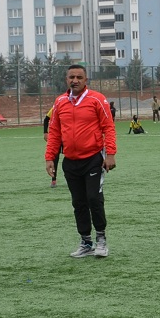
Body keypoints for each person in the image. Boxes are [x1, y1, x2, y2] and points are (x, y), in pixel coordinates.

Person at [45, 63, 117, 258]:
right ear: (66, 80)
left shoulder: (97, 99)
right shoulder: (60, 102)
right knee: (78, 202)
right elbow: (54, 132)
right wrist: (50, 157)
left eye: (79, 77)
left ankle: (101, 239)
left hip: (93, 158)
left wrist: (110, 154)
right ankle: (86, 242)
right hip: (70, 161)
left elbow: (108, 127)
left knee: (93, 198)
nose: (75, 80)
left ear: (86, 80)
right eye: (71, 77)